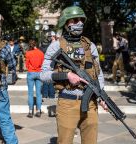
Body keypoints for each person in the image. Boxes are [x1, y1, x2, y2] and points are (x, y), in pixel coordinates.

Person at [40, 6, 107, 144]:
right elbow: (43, 75)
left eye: (82, 20)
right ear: (66, 23)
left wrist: (101, 95)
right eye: (75, 20)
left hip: (91, 103)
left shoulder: (90, 46)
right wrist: (66, 75)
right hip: (67, 103)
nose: (80, 23)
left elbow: (98, 74)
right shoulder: (56, 46)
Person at [25, 40, 44, 118]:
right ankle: (38, 110)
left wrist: (30, 68)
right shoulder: (41, 53)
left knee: (30, 93)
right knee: (39, 93)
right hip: (39, 73)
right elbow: (43, 64)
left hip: (31, 72)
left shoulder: (28, 53)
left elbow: (26, 64)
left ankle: (30, 111)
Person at [41, 31, 56, 99]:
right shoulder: (49, 44)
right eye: (50, 37)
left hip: (50, 62)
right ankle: (48, 94)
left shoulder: (53, 44)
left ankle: (48, 94)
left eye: (51, 36)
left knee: (49, 79)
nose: (51, 38)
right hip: (48, 62)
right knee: (47, 79)